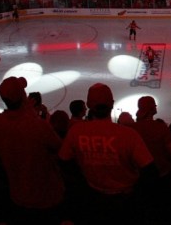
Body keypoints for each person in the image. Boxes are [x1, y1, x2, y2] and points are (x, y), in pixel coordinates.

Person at [59, 83, 157, 224]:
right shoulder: (128, 134)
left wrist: (83, 182)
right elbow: (150, 170)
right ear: (112, 104)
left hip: (93, 198)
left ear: (89, 105)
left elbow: (63, 161)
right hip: (124, 200)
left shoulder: (76, 131)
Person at [0, 76, 66, 223]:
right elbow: (59, 148)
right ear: (23, 96)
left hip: (17, 195)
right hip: (45, 197)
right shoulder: (38, 126)